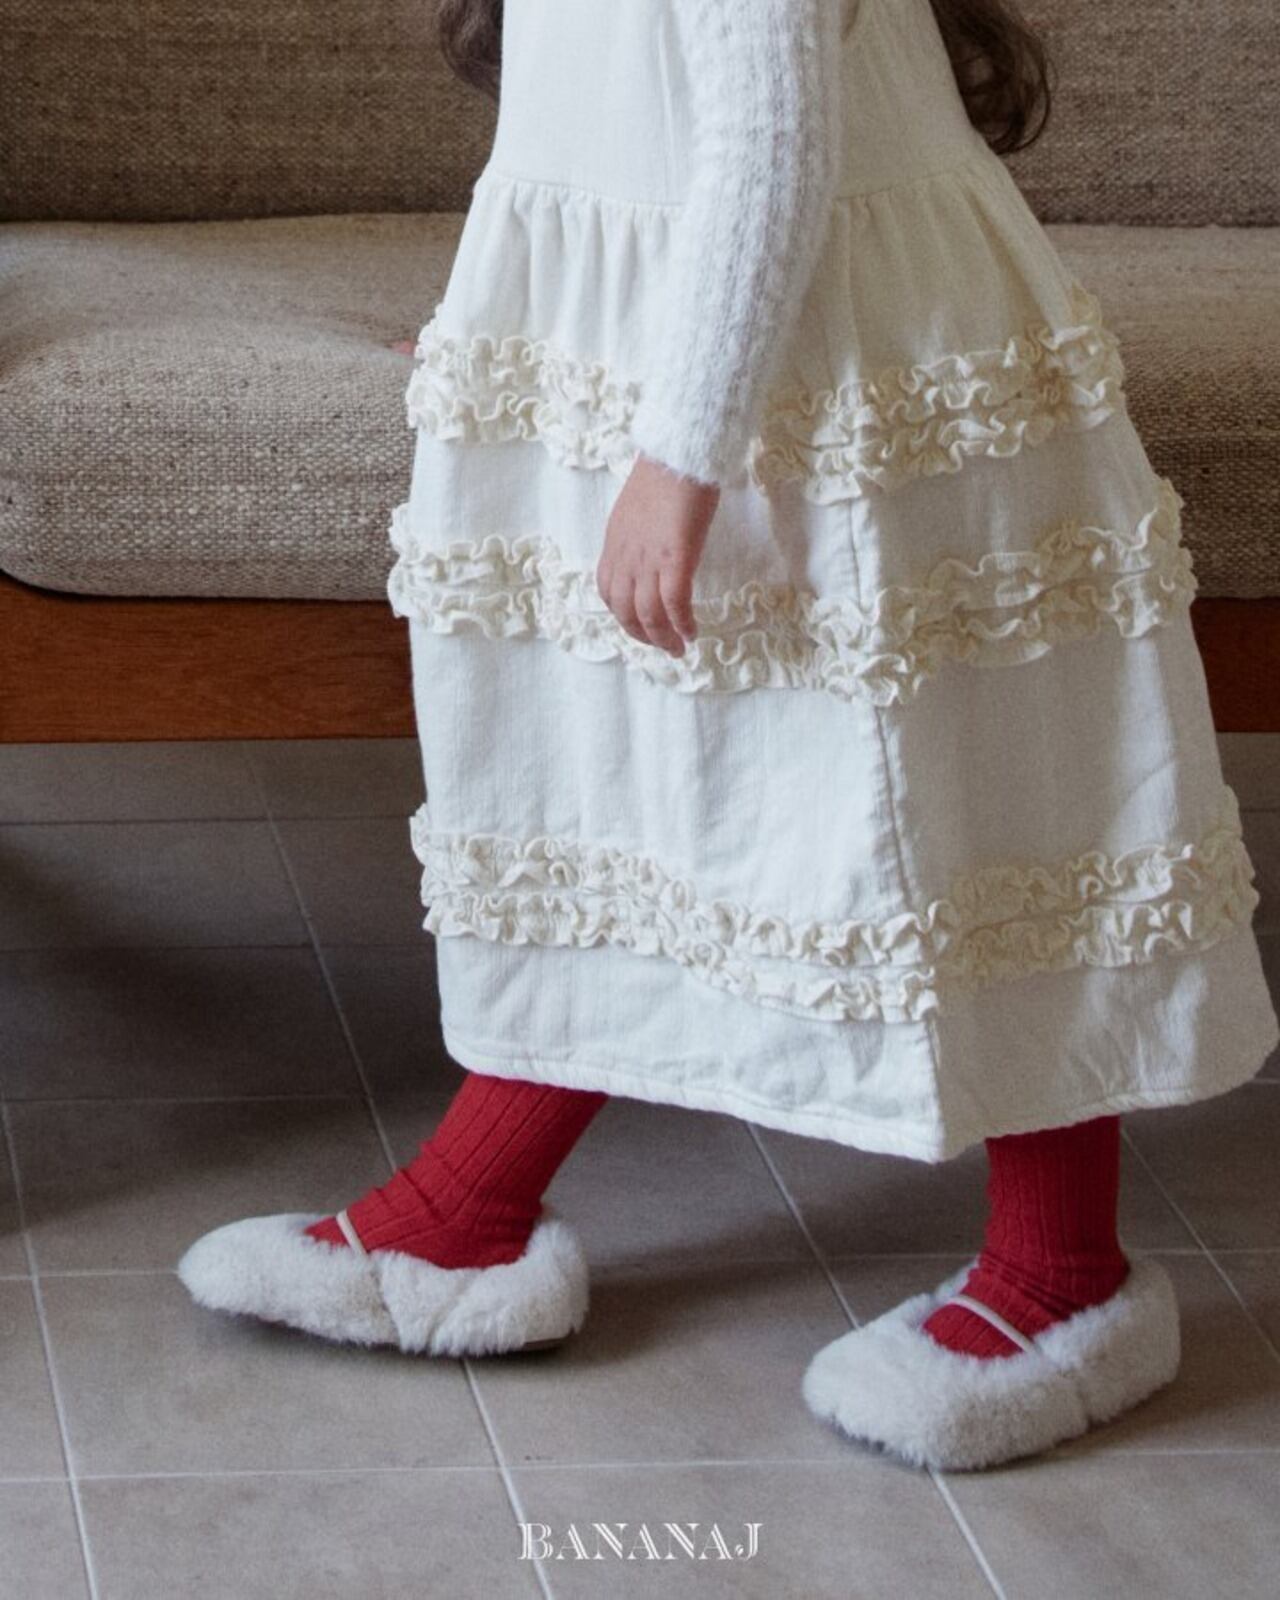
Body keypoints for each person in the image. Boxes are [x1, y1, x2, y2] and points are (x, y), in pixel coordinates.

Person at [178, 0, 1279, 1471]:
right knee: (624, 796)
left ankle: (1064, 1273)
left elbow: (770, 144)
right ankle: (468, 1209)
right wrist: (529, 327)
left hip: (831, 361)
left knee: (985, 804)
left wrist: (681, 459)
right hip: (700, 334)